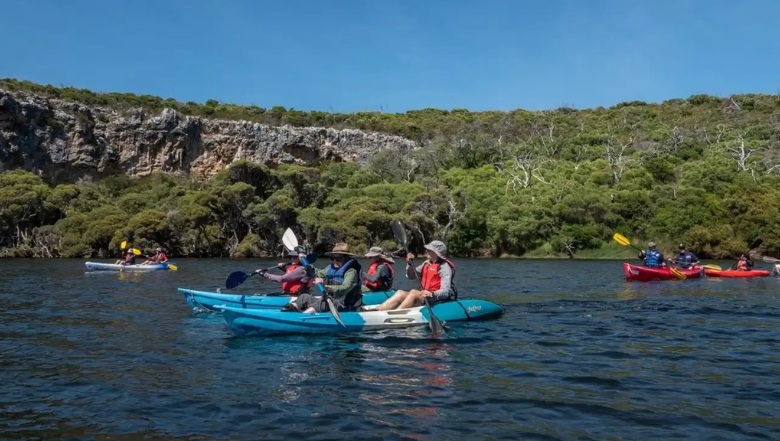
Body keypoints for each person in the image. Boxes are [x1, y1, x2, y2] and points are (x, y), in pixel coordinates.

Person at [373, 240, 456, 311]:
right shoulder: (426, 264)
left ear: (436, 253)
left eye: (429, 250)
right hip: (424, 296)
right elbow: (411, 275)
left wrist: (432, 293)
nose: (426, 251)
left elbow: (446, 291)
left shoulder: (444, 267)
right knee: (400, 293)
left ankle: (396, 314)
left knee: (414, 292)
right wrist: (409, 263)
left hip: (436, 298)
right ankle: (378, 310)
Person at [282, 243, 363, 313]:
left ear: (346, 258)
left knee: (325, 302)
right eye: (333, 258)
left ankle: (302, 317)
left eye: (339, 258)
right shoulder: (330, 268)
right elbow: (316, 273)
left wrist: (325, 285)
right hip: (331, 301)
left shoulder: (351, 271)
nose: (335, 261)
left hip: (347, 306)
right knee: (305, 297)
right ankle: (291, 309)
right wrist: (304, 261)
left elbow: (345, 287)